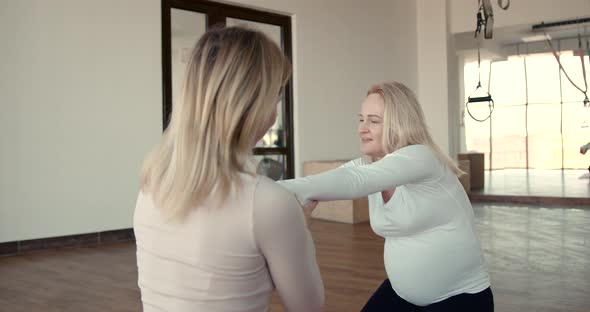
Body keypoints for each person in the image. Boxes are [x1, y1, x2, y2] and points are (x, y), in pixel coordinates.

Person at [134, 26, 324, 312]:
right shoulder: (268, 203)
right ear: (253, 103)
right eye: (275, 98)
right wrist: (301, 232)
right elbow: (308, 306)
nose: (275, 113)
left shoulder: (151, 185)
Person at [279, 82, 494, 311]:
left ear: (399, 124)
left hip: (460, 300)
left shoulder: (421, 157)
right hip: (400, 294)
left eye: (373, 121)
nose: (362, 128)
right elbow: (332, 180)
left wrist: (264, 189)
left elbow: (354, 181)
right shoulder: (370, 166)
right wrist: (278, 195)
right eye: (361, 119)